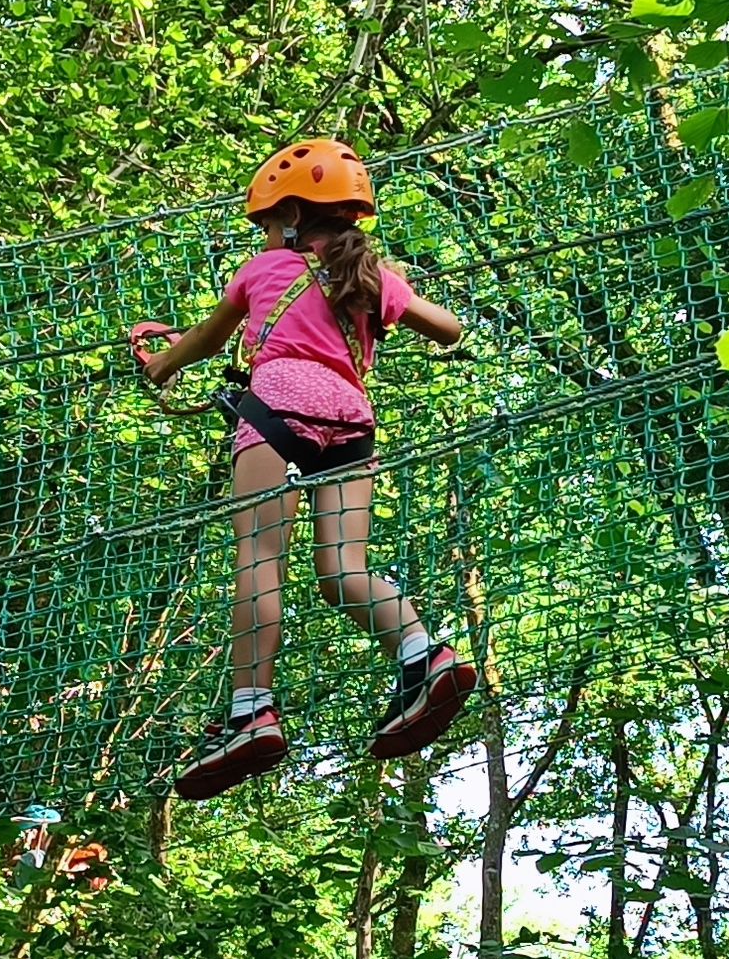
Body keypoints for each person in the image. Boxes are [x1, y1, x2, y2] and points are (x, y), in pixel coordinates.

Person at [131, 137, 477, 800]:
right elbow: (449, 328)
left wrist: (162, 364)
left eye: (266, 224)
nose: (264, 236)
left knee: (260, 557)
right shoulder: (372, 276)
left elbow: (207, 338)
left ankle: (250, 710)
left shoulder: (262, 270)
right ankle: (423, 656)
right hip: (352, 420)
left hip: (276, 409)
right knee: (342, 568)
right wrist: (388, 300)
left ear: (290, 216)